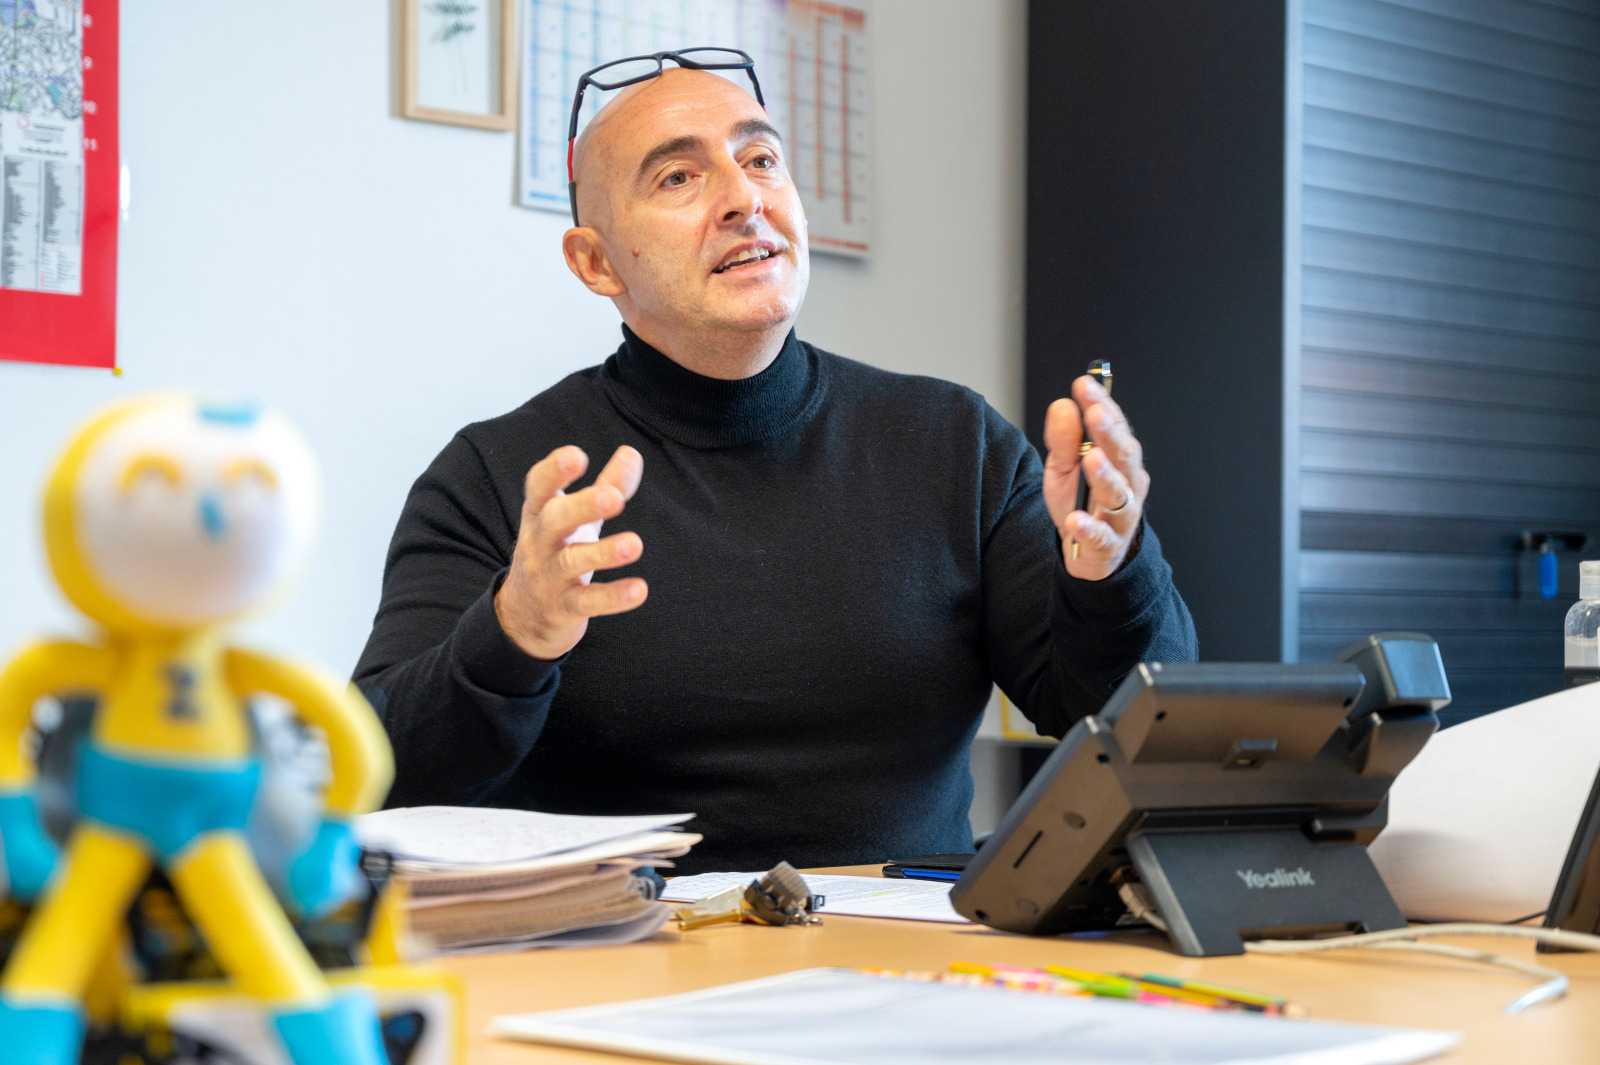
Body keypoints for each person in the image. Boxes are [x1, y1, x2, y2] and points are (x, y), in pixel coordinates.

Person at [354, 60, 1197, 874]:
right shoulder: (496, 478)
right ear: (595, 262)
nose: (744, 197)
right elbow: (378, 776)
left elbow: (1129, 725)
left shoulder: (953, 440)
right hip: (622, 949)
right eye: (678, 177)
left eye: (760, 159)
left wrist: (1111, 575)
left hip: (912, 944)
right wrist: (513, 637)